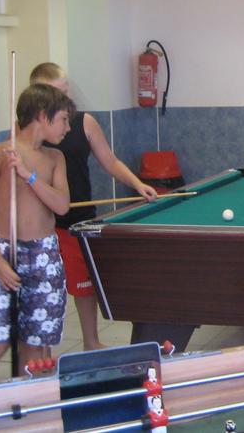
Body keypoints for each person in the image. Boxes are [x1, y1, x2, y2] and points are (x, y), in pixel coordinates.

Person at [30, 62, 158, 351]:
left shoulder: (83, 122)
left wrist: (137, 184)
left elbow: (109, 160)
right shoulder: (28, 133)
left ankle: (91, 341)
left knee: (84, 286)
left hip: (78, 219)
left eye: (66, 91)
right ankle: (41, 354)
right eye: (57, 93)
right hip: (43, 223)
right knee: (44, 290)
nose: (66, 99)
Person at [0, 84, 74, 386]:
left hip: (44, 255)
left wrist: (29, 175)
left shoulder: (55, 158)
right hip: (3, 251)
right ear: (41, 115)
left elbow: (62, 206)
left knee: (35, 343)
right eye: (63, 119)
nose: (67, 128)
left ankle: (24, 403)